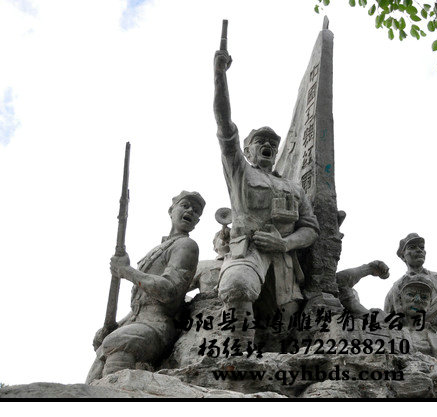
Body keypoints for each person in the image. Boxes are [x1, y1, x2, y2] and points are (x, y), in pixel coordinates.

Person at [213, 47, 320, 345]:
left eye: (273, 143)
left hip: (284, 263)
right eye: (261, 141)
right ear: (247, 150)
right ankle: (236, 358)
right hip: (247, 252)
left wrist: (285, 243)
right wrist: (219, 76)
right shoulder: (240, 172)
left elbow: (311, 228)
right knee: (238, 285)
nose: (268, 146)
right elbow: (224, 126)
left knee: (282, 329)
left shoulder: (294, 188)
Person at [86, 191, 205, 383]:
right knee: (95, 369)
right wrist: (113, 325)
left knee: (119, 341)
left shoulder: (186, 245)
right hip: (135, 322)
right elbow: (140, 304)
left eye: (197, 211)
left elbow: (169, 291)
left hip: (157, 325)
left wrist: (127, 271)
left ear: (197, 221)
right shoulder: (160, 248)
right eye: (185, 205)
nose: (191, 211)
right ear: (171, 210)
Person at [384, 233, 437, 335]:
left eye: (421, 247)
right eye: (412, 247)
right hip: (410, 338)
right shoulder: (395, 289)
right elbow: (387, 325)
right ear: (403, 256)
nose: (419, 250)